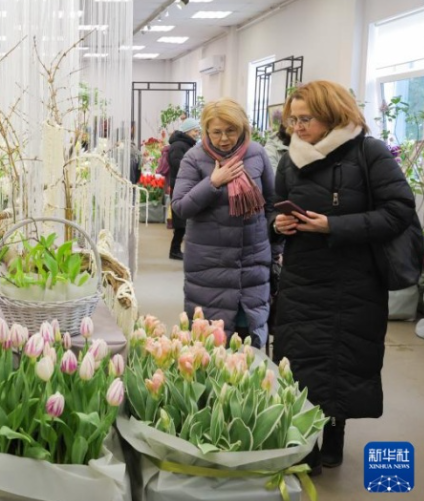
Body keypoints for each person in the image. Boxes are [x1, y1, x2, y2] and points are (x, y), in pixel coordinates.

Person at [270, 80, 416, 474]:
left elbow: (399, 211)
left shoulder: (369, 152)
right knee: (299, 362)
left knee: (341, 361)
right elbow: (272, 209)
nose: (297, 127)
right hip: (301, 280)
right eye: (293, 120)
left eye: (306, 119)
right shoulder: (290, 159)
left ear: (333, 115)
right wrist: (278, 224)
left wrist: (334, 226)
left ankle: (335, 430)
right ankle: (304, 441)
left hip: (353, 283)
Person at [171, 98, 274, 346]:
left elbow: (272, 204)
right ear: (206, 130)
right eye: (216, 132)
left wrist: (276, 248)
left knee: (248, 341)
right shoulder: (194, 158)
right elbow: (181, 206)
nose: (224, 139)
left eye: (231, 130)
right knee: (211, 345)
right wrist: (213, 183)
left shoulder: (257, 154)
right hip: (209, 267)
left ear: (242, 128)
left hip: (251, 266)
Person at [167, 118, 201, 260]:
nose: (197, 133)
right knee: (181, 222)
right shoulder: (179, 146)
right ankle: (174, 250)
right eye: (195, 130)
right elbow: (179, 165)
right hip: (180, 187)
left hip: (185, 185)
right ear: (187, 130)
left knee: (183, 221)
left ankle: (177, 250)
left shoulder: (186, 145)